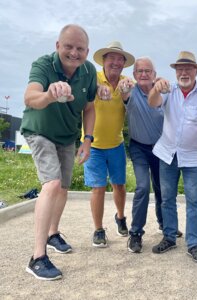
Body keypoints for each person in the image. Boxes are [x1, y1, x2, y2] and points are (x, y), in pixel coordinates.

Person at [21, 24, 97, 280]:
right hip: (39, 130)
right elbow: (30, 97)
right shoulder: (43, 65)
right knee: (52, 184)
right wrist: (49, 95)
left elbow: (89, 107)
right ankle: (37, 257)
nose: (74, 53)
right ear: (57, 46)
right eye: (68, 46)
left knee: (63, 187)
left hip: (67, 136)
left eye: (80, 48)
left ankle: (53, 233)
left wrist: (87, 140)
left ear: (87, 51)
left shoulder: (88, 71)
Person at [148, 51, 197, 264]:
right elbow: (153, 102)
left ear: (196, 71)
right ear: (175, 72)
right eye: (180, 69)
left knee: (193, 201)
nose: (184, 72)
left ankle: (193, 243)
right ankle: (169, 237)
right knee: (167, 198)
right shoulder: (168, 90)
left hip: (193, 157)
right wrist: (155, 87)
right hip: (167, 153)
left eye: (188, 68)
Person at [124, 57, 182, 254]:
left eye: (148, 71)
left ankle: (165, 226)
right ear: (134, 75)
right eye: (139, 71)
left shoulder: (163, 91)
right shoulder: (130, 90)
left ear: (154, 74)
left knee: (162, 190)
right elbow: (123, 93)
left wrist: (161, 84)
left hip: (160, 148)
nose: (143, 74)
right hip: (139, 147)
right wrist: (123, 87)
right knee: (142, 187)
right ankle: (135, 233)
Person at [83, 41, 135, 247]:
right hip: (92, 143)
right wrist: (97, 87)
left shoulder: (126, 83)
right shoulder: (92, 78)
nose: (115, 62)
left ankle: (120, 217)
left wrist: (126, 94)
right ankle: (98, 229)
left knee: (119, 186)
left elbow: (135, 103)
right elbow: (84, 86)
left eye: (119, 59)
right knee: (98, 188)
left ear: (124, 63)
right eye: (111, 58)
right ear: (103, 60)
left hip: (116, 144)